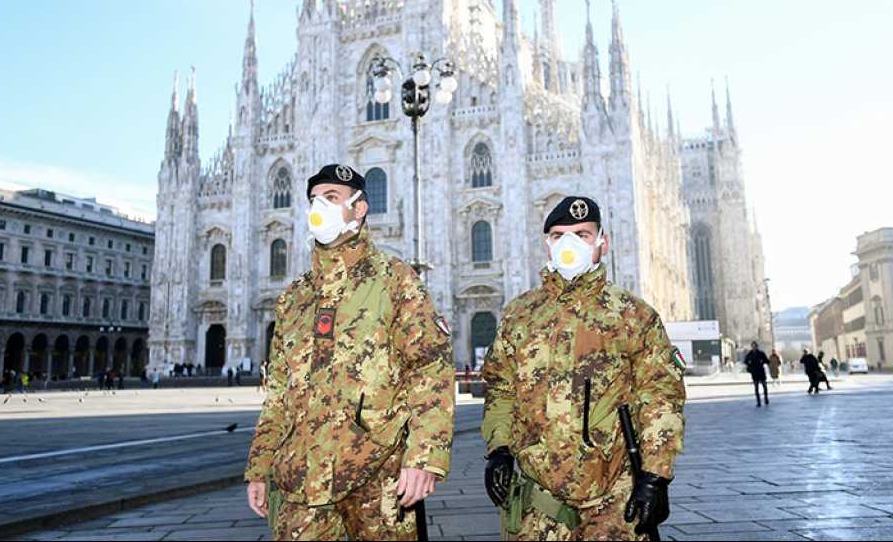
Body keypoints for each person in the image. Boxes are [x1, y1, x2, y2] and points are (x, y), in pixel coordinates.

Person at [245, 164, 455, 540]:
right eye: (313, 199)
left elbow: (429, 370)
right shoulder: (294, 298)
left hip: (378, 476)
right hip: (301, 478)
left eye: (331, 198)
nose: (318, 208)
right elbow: (278, 393)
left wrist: (425, 457)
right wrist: (260, 466)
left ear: (359, 208)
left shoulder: (395, 279)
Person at [482, 196, 685, 540]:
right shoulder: (520, 314)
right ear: (547, 244)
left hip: (614, 496)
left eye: (582, 234)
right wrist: (499, 450)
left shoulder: (632, 315)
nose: (570, 244)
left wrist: (654, 476)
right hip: (538, 498)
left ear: (602, 242)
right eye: (559, 235)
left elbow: (661, 397)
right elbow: (501, 387)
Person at [744, 342, 770, 407]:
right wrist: (749, 362)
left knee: (765, 386)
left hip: (761, 372)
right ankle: (758, 402)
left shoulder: (761, 353)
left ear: (757, 346)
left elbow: (767, 361)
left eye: (755, 346)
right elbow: (745, 361)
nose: (754, 347)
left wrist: (763, 361)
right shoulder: (750, 354)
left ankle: (766, 399)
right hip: (754, 373)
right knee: (756, 388)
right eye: (752, 346)